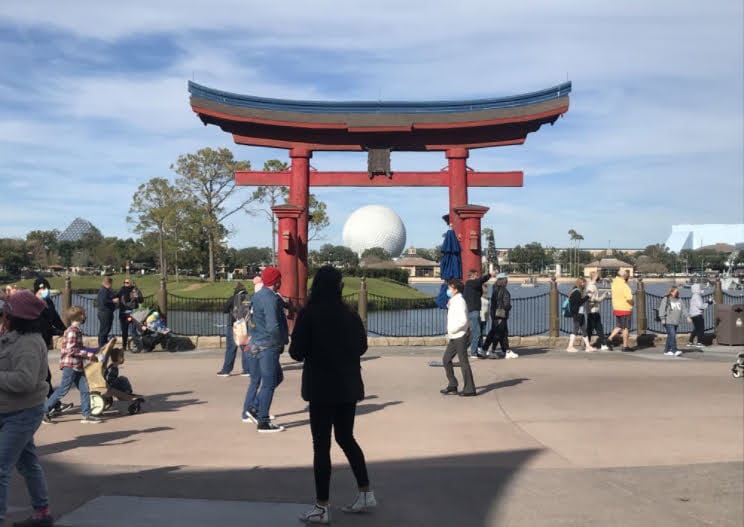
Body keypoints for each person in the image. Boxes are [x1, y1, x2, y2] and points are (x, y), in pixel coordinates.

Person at [289, 266, 376, 524]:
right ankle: (365, 491)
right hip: (347, 386)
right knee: (346, 438)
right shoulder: (350, 314)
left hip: (321, 387)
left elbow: (296, 352)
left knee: (321, 446)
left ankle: (322, 505)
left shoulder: (309, 314)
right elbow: (362, 346)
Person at [0, 290, 54, 527]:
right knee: (27, 462)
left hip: (22, 412)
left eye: (6, 312)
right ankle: (42, 512)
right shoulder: (13, 336)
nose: (3, 316)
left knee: (1, 467)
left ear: (17, 317)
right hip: (10, 410)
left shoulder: (29, 344)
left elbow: (24, 381)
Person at [243, 267, 288, 433]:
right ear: (276, 282)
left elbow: (251, 319)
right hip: (267, 345)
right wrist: (280, 341)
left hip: (255, 342)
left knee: (277, 377)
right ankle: (263, 421)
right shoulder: (270, 299)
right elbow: (273, 325)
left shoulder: (257, 296)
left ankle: (254, 407)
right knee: (269, 383)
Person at [44, 305, 102, 424]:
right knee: (63, 390)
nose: (85, 316)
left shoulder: (76, 331)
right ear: (80, 316)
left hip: (77, 365)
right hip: (70, 365)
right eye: (84, 314)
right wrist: (88, 355)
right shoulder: (72, 331)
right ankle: (44, 411)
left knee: (85, 389)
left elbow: (78, 347)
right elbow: (71, 350)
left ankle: (86, 414)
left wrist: (91, 352)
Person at [33, 278, 73, 417]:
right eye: (42, 289)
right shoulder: (34, 305)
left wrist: (66, 330)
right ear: (36, 291)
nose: (45, 291)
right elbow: (43, 325)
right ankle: (50, 405)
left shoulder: (48, 302)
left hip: (45, 342)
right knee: (44, 375)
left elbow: (55, 319)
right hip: (35, 342)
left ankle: (53, 404)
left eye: (46, 289)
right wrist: (57, 332)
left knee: (43, 375)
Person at [440, 279, 476, 397]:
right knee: (446, 359)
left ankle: (469, 389)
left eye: (450, 288)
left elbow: (463, 320)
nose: (448, 290)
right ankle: (453, 384)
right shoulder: (454, 300)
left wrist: (453, 330)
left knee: (463, 361)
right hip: (454, 336)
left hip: (460, 335)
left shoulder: (459, 301)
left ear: (455, 289)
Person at [217, 283, 251, 377]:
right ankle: (247, 370)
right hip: (244, 325)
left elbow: (224, 309)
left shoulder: (233, 298)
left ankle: (226, 370)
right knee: (245, 348)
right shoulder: (249, 298)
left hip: (233, 325)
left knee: (231, 349)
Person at [482, 273, 518, 359]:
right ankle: (492, 350)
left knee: (501, 333)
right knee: (497, 333)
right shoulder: (504, 291)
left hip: (494, 314)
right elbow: (506, 305)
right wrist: (509, 307)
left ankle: (505, 350)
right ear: (504, 281)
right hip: (501, 315)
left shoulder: (495, 289)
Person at [463, 269, 494, 358]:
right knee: (476, 332)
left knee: (477, 331)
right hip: (473, 311)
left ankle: (476, 349)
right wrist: (490, 275)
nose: (478, 277)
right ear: (472, 276)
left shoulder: (471, 286)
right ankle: (473, 352)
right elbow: (481, 280)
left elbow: (479, 290)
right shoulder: (470, 283)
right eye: (476, 275)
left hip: (474, 311)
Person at [566, 277, 596, 352]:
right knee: (575, 329)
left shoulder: (577, 291)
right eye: (583, 283)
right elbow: (580, 302)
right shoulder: (577, 292)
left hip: (580, 313)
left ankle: (588, 346)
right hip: (577, 313)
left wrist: (586, 296)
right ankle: (570, 347)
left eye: (585, 283)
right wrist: (587, 296)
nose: (584, 284)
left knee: (583, 330)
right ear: (580, 283)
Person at [658, 286, 690, 356]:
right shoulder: (666, 299)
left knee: (670, 336)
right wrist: (662, 318)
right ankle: (674, 350)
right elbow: (662, 309)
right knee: (672, 335)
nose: (677, 293)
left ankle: (666, 351)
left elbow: (684, 309)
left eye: (678, 292)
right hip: (668, 320)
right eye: (676, 292)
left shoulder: (679, 300)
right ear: (671, 292)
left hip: (676, 321)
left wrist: (687, 316)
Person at [607, 270, 634, 351]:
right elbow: (629, 297)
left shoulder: (614, 283)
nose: (627, 276)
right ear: (623, 276)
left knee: (619, 326)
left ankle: (609, 339)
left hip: (616, 307)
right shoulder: (624, 285)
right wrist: (632, 303)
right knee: (625, 328)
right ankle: (625, 346)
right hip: (625, 308)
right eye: (626, 275)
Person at [585, 272, 611, 350]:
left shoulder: (592, 286)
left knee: (593, 328)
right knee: (596, 328)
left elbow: (593, 299)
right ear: (595, 277)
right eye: (598, 277)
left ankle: (589, 345)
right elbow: (590, 298)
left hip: (593, 310)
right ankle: (601, 344)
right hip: (593, 311)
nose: (599, 278)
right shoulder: (591, 287)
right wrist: (600, 297)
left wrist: (603, 295)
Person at [117, 278, 142, 351]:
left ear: (131, 283)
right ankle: (124, 346)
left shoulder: (135, 290)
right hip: (123, 312)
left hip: (133, 312)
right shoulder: (121, 290)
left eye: (127, 282)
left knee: (133, 330)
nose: (126, 284)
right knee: (124, 330)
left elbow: (141, 300)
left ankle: (136, 345)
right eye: (125, 282)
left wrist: (137, 297)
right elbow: (116, 296)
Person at [687, 283, 713, 348]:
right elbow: (701, 306)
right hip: (697, 314)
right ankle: (699, 342)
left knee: (696, 329)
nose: (702, 289)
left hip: (693, 315)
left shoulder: (693, 296)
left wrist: (706, 302)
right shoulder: (697, 296)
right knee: (701, 329)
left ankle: (690, 341)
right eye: (700, 288)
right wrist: (708, 302)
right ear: (697, 289)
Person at [96, 277, 119, 346]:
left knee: (106, 329)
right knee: (104, 329)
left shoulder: (106, 290)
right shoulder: (104, 290)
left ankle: (103, 343)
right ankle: (102, 345)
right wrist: (113, 301)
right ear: (109, 283)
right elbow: (104, 301)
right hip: (105, 312)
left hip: (106, 312)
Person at [477, 284, 490, 355]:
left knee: (482, 333)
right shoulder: (479, 298)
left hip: (484, 318)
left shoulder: (486, 297)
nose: (486, 290)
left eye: (486, 288)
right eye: (485, 288)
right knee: (479, 333)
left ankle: (480, 347)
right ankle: (479, 347)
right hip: (480, 317)